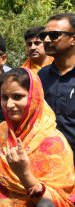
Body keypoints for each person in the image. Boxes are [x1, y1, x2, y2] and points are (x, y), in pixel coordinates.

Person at [0, 68, 75, 207]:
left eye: (17, 97)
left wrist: (25, 175)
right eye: (4, 97)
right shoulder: (1, 132)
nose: (9, 104)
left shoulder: (53, 142)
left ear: (34, 97)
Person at [38, 13, 75, 155]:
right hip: (48, 159)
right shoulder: (41, 76)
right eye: (43, 35)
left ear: (73, 39)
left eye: (54, 35)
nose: (46, 40)